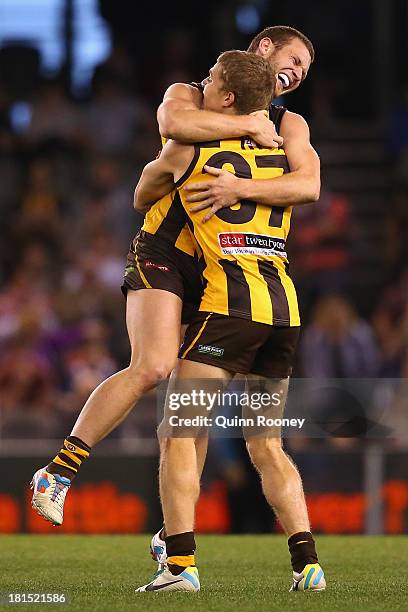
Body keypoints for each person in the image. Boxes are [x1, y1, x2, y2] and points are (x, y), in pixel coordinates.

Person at [30, 26, 319, 574]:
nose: (302, 70)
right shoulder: (191, 93)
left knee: (193, 413)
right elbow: (171, 132)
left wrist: (241, 188)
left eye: (308, 66)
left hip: (225, 266)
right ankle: (59, 471)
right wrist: (245, 128)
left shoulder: (290, 124)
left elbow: (309, 185)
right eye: (296, 57)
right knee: (155, 368)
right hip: (168, 249)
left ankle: (173, 537)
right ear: (263, 49)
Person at [132, 50, 324, 593]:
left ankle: (180, 567)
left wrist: (177, 177)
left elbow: (141, 196)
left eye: (211, 79)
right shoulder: (285, 154)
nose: (204, 83)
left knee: (178, 434)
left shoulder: (195, 146)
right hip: (282, 313)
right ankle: (308, 564)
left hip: (227, 312)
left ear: (229, 96)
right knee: (267, 444)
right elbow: (309, 188)